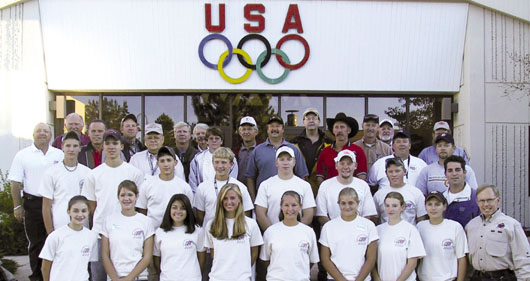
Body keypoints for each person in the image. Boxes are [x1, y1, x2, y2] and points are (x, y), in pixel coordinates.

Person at [81, 129, 144, 281]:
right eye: (107, 143)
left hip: (127, 234)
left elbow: (140, 205)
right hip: (100, 234)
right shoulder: (93, 174)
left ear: (121, 146)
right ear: (102, 146)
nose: (111, 147)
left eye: (115, 143)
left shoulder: (134, 173)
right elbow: (90, 207)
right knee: (99, 276)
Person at [8, 122, 64, 281]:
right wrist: (17, 206)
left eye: (45, 131)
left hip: (56, 203)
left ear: (50, 135)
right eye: (38, 131)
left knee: (56, 240)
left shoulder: (59, 155)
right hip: (33, 205)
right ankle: (37, 277)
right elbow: (14, 182)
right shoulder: (22, 155)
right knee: (36, 243)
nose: (42, 133)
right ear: (33, 135)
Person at [465, 184, 530, 281]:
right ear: (477, 202)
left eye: (490, 200)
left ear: (498, 200)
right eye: (482, 201)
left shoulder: (511, 225)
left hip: (502, 277)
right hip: (477, 277)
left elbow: (523, 259)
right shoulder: (471, 226)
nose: (486, 204)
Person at [204, 184, 263, 281]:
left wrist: (240, 271)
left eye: (232, 198)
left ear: (239, 199)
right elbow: (213, 254)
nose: (229, 202)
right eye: (225, 199)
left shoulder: (251, 224)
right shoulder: (211, 225)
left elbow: (254, 254)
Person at [320, 188, 378, 281]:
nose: (347, 207)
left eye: (351, 203)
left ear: (358, 203)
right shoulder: (328, 227)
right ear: (338, 204)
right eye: (343, 203)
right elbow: (325, 259)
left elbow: (371, 259)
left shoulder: (369, 225)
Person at [245, 115, 308, 201]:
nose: (274, 129)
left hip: (290, 202)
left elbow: (302, 176)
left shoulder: (293, 149)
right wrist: (253, 200)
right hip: (264, 201)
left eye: (278, 126)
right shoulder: (257, 150)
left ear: (283, 129)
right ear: (267, 130)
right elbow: (250, 177)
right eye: (271, 126)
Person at [259, 191, 320, 281]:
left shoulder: (308, 232)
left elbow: (311, 261)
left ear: (300, 206)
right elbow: (266, 260)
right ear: (281, 206)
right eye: (286, 205)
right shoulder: (270, 232)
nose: (290, 209)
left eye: (294, 205)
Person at [101, 180, 154, 281]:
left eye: (130, 195)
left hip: (139, 277)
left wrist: (129, 278)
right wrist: (115, 279)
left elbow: (147, 256)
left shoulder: (146, 221)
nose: (126, 199)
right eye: (122, 195)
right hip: (114, 277)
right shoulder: (109, 220)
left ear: (137, 196)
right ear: (118, 197)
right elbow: (104, 255)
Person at [40, 131, 91, 234]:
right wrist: (50, 233)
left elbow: (91, 203)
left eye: (75, 146)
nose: (71, 149)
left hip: (83, 229)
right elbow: (46, 207)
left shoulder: (88, 173)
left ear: (80, 148)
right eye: (68, 146)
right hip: (59, 228)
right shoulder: (51, 172)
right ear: (62, 147)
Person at [255, 146, 316, 231]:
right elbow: (260, 214)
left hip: (297, 235)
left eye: (289, 159)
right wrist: (272, 232)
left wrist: (296, 231)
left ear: (294, 162)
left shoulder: (304, 185)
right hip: (273, 235)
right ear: (276, 163)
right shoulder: (265, 185)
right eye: (282, 159)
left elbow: (308, 214)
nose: (285, 162)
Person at [39, 196, 98, 281]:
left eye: (84, 211)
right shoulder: (56, 236)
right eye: (75, 211)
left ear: (89, 212)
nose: (80, 215)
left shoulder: (91, 236)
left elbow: (86, 264)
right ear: (68, 212)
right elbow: (45, 267)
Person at [194, 147, 253, 227]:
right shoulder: (203, 187)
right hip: (209, 233)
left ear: (231, 164)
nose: (220, 166)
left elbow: (246, 213)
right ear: (212, 163)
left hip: (233, 233)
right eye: (217, 162)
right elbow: (200, 214)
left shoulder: (240, 187)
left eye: (224, 162)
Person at [372, 192, 426, 281]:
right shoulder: (378, 230)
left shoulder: (410, 230)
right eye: (387, 205)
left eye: (394, 206)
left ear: (402, 207)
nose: (390, 209)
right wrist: (377, 278)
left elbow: (412, 263)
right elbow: (372, 260)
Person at [137, 146, 194, 229]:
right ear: (157, 163)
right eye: (162, 161)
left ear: (175, 162)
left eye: (169, 160)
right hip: (153, 232)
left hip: (176, 232)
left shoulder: (184, 187)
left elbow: (189, 211)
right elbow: (142, 210)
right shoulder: (147, 184)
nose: (166, 164)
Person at [316, 149, 377, 225]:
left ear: (355, 166)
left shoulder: (363, 185)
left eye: (349, 164)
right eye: (342, 163)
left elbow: (368, 214)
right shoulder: (325, 185)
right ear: (336, 165)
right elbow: (321, 215)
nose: (345, 167)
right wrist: (335, 229)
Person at [417, 191, 468, 281]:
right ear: (425, 207)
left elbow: (462, 258)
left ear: (444, 206)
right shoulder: (419, 227)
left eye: (437, 204)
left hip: (448, 278)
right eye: (430, 204)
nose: (433, 208)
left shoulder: (455, 227)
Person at [154, 194, 205, 281]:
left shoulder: (197, 231)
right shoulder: (160, 232)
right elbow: (156, 259)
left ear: (188, 211)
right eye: (174, 207)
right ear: (169, 209)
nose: (178, 211)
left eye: (182, 208)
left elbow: (202, 257)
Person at [316, 112, 368, 184]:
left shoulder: (358, 151)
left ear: (349, 130)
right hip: (331, 192)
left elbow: (362, 175)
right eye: (336, 127)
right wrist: (325, 189)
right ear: (333, 131)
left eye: (342, 127)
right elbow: (320, 175)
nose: (339, 130)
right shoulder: (325, 151)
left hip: (351, 193)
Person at [373, 157, 427, 225]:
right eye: (390, 171)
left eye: (397, 171)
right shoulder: (379, 195)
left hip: (409, 234)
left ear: (405, 172)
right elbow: (375, 219)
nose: (394, 175)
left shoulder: (416, 193)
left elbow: (421, 218)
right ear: (386, 173)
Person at [290, 108, 332, 195]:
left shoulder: (329, 143)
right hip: (299, 190)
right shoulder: (294, 143)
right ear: (303, 122)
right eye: (308, 118)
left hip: (322, 190)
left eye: (314, 118)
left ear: (319, 121)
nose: (311, 121)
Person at [190, 127, 238, 192]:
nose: (214, 140)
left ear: (221, 141)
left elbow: (233, 179)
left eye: (217, 138)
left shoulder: (230, 158)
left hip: (224, 195)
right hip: (203, 195)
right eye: (211, 138)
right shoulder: (198, 159)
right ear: (207, 141)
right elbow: (193, 182)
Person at [442, 156, 480, 228]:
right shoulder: (440, 198)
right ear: (445, 174)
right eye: (450, 170)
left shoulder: (476, 198)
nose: (454, 174)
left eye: (457, 170)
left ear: (464, 172)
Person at [234, 116, 259, 184]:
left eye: (249, 129)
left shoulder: (262, 149)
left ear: (256, 132)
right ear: (239, 132)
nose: (246, 132)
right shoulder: (234, 151)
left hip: (258, 189)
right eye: (243, 129)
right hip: (239, 189)